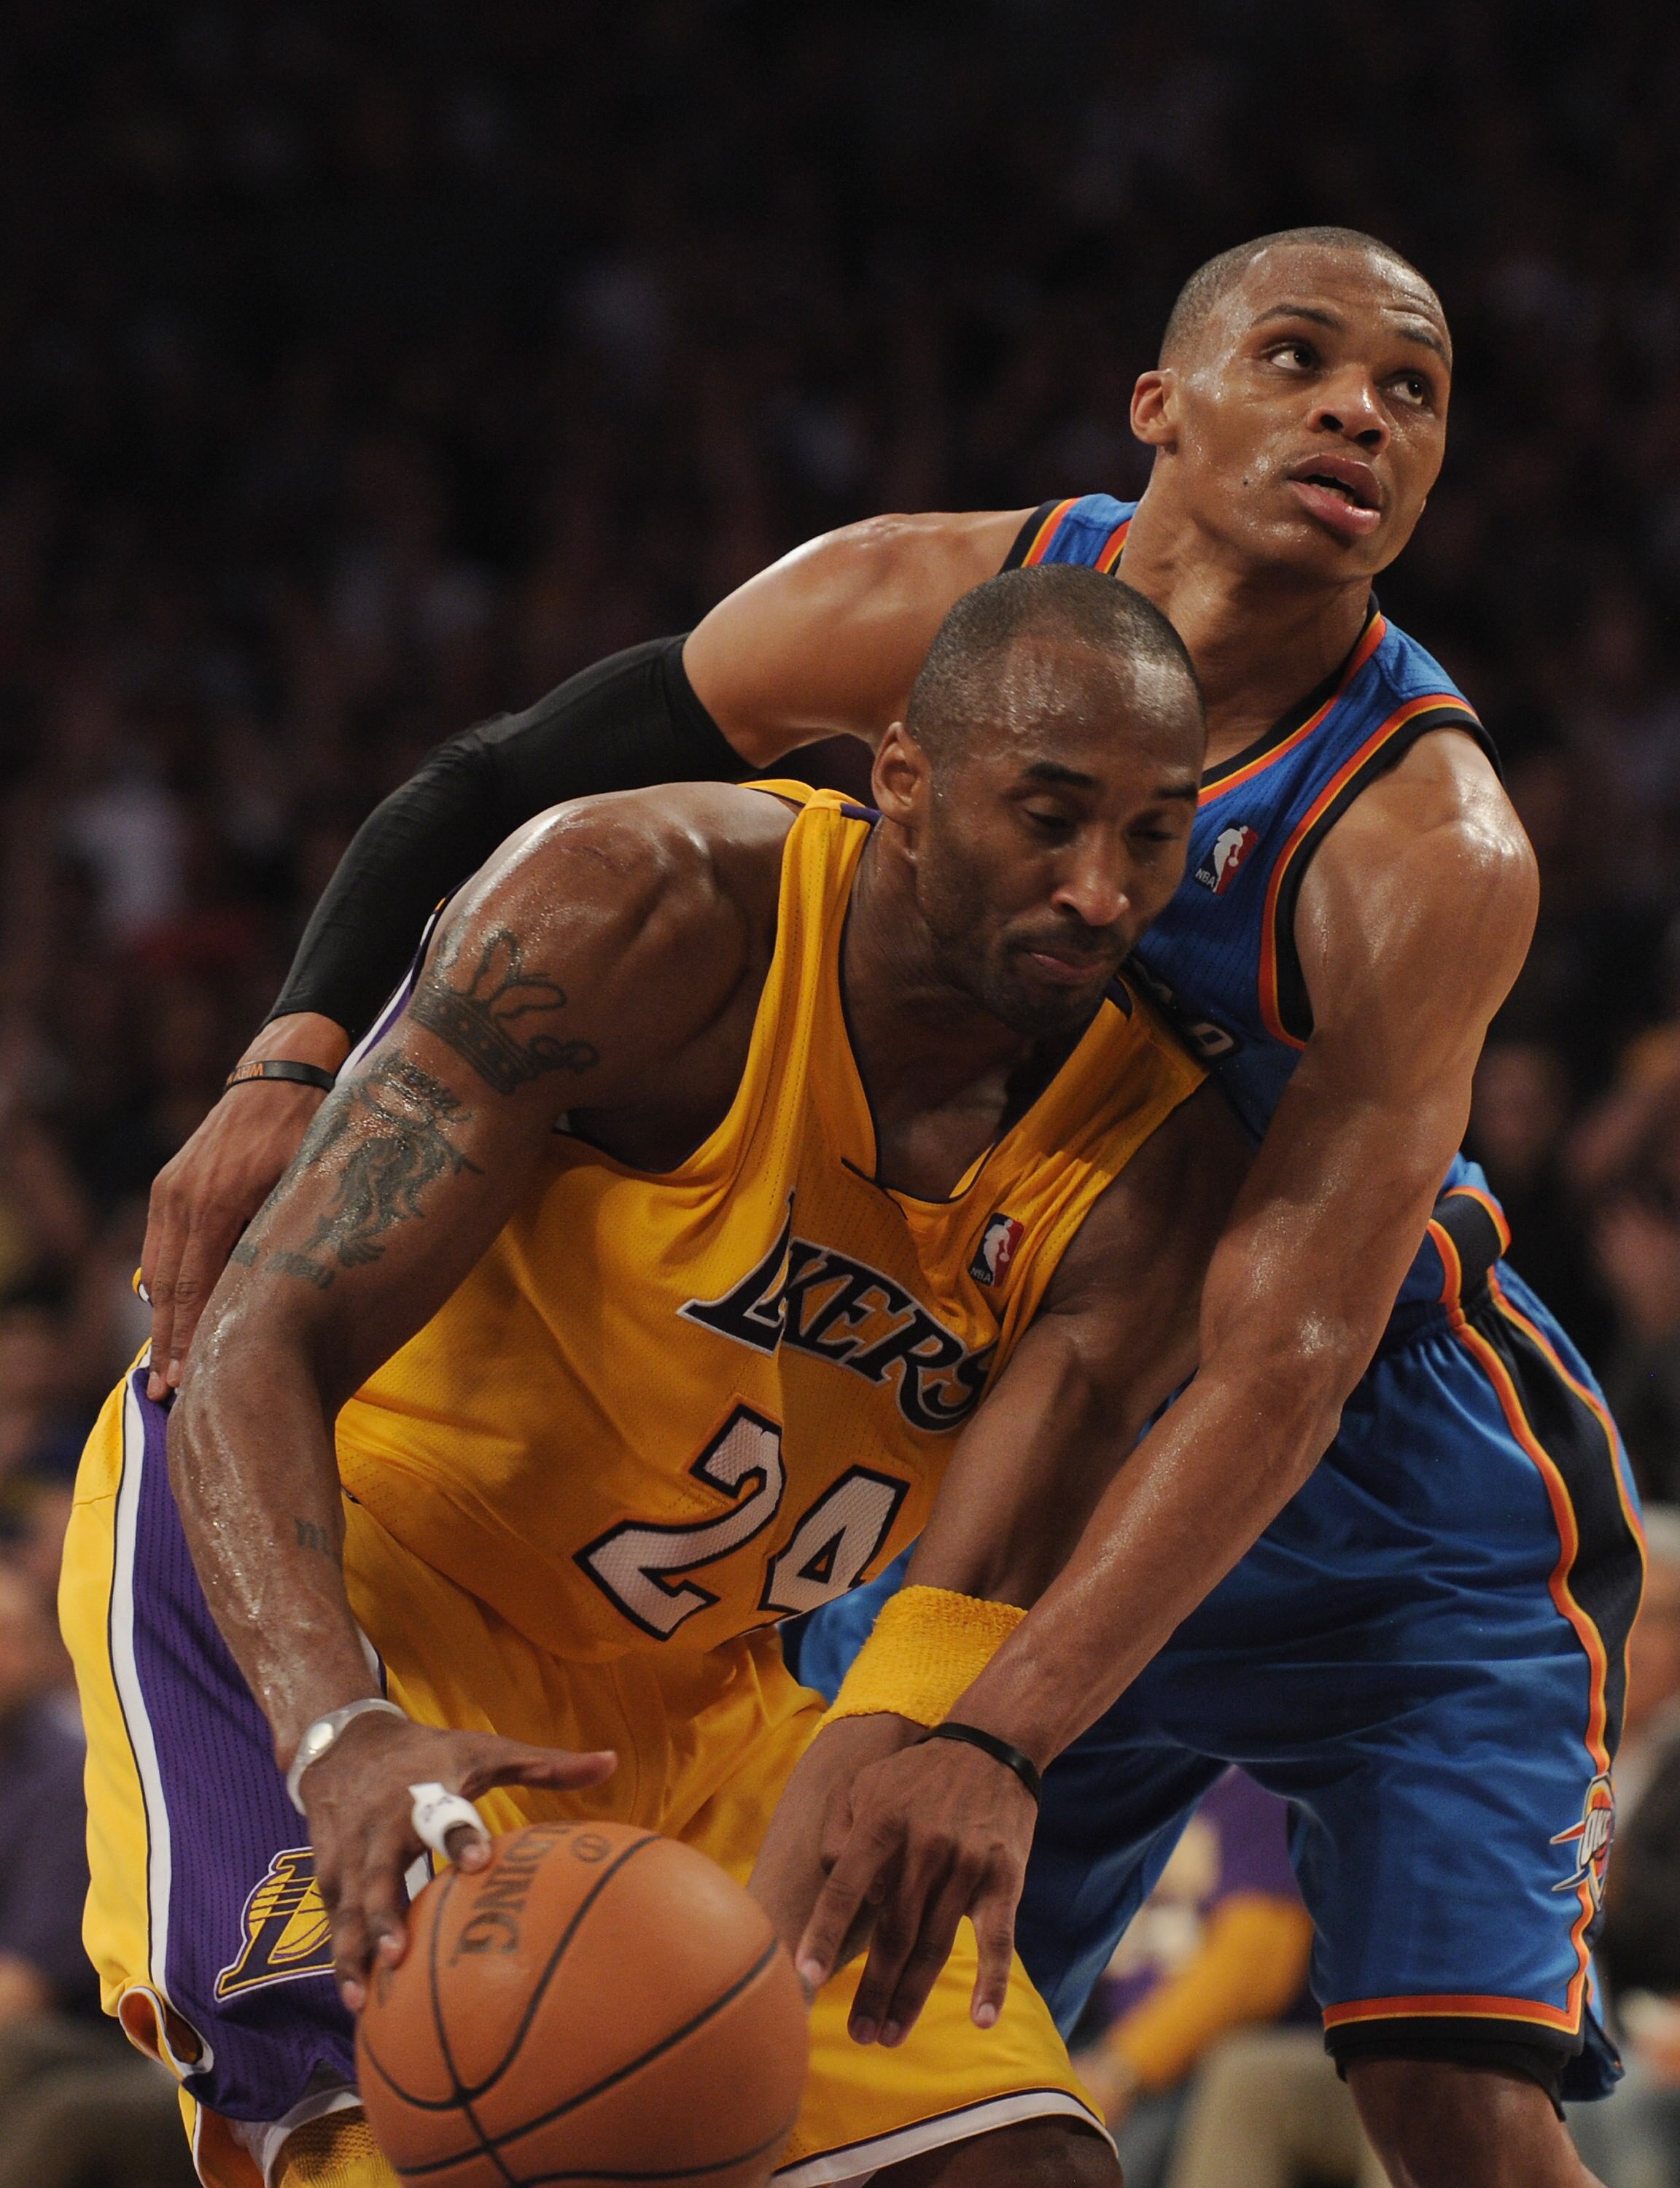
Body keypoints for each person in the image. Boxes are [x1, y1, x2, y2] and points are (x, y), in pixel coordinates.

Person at [139, 227, 1642, 2187]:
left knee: (1453, 2094)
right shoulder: (922, 604)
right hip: (1032, 1422)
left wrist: (998, 1737)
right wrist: (289, 1053)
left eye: (1416, 390)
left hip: (1368, 1465)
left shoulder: (1424, 846)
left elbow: (1275, 1368)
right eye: (1297, 357)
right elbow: (518, 777)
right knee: (785, 2036)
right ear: (1160, 406)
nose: (1361, 406)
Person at [63, 570, 1254, 2188]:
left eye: (1152, 837)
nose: (1102, 894)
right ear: (901, 778)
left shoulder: (1157, 1160)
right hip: (340, 1582)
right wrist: (340, 1732)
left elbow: (988, 1560)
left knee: (1022, 2164)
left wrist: (915, 1734)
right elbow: (256, 1344)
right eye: (1048, 819)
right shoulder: (642, 908)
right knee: (405, 2136)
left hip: (696, 1681)